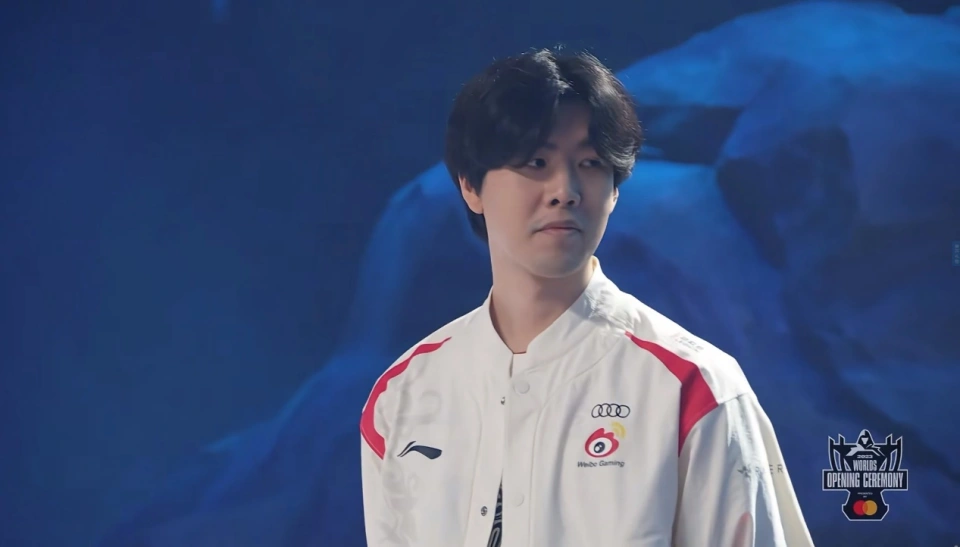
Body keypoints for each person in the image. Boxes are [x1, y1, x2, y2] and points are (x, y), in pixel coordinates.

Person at [359, 48, 814, 547]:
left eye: (591, 163)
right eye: (536, 161)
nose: (566, 190)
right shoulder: (403, 395)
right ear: (471, 186)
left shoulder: (693, 387)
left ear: (615, 190)